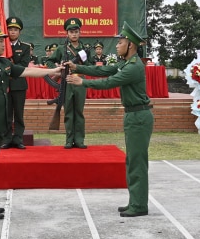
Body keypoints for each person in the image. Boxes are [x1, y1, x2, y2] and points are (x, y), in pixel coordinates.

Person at [0, 21, 59, 219]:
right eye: (0, 41)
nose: (4, 44)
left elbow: (25, 71)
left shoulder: (2, 63)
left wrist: (52, 71)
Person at [66, 23, 153, 218]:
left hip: (138, 116)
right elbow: (104, 70)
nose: (116, 45)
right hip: (134, 115)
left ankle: (139, 205)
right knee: (131, 160)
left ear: (130, 45)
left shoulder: (134, 67)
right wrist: (77, 66)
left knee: (137, 162)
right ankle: (135, 201)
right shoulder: (126, 63)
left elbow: (109, 82)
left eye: (120, 42)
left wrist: (82, 82)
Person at [46, 17, 92, 149]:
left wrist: (82, 64)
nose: (74, 34)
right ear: (67, 33)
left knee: (79, 112)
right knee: (68, 112)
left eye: (76, 31)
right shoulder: (62, 48)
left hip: (80, 82)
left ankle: (79, 140)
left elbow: (91, 65)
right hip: (67, 82)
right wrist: (58, 68)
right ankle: (69, 139)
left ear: (80, 32)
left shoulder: (85, 49)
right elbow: (49, 61)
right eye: (71, 32)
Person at [1, 16, 32, 149]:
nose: (12, 32)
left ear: (19, 32)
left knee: (19, 114)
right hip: (5, 85)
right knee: (6, 114)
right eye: (10, 29)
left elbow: (23, 65)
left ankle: (18, 138)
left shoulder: (25, 47)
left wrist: (10, 66)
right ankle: (7, 139)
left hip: (19, 84)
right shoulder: (1, 46)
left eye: (15, 30)